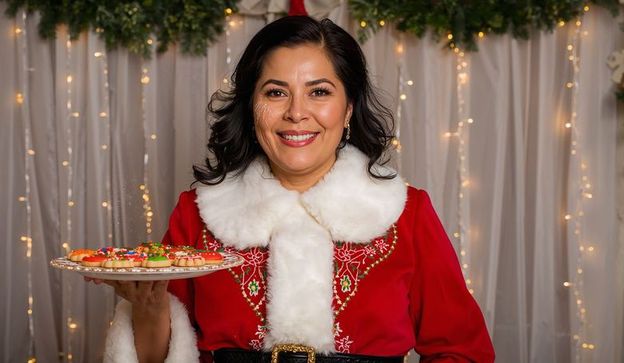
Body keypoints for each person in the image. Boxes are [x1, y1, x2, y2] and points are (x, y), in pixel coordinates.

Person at [97, 16, 495, 363]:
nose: (296, 112)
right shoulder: (196, 214)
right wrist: (149, 308)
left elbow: (463, 351)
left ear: (349, 108)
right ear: (251, 107)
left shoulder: (408, 213)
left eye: (319, 92)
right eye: (275, 92)